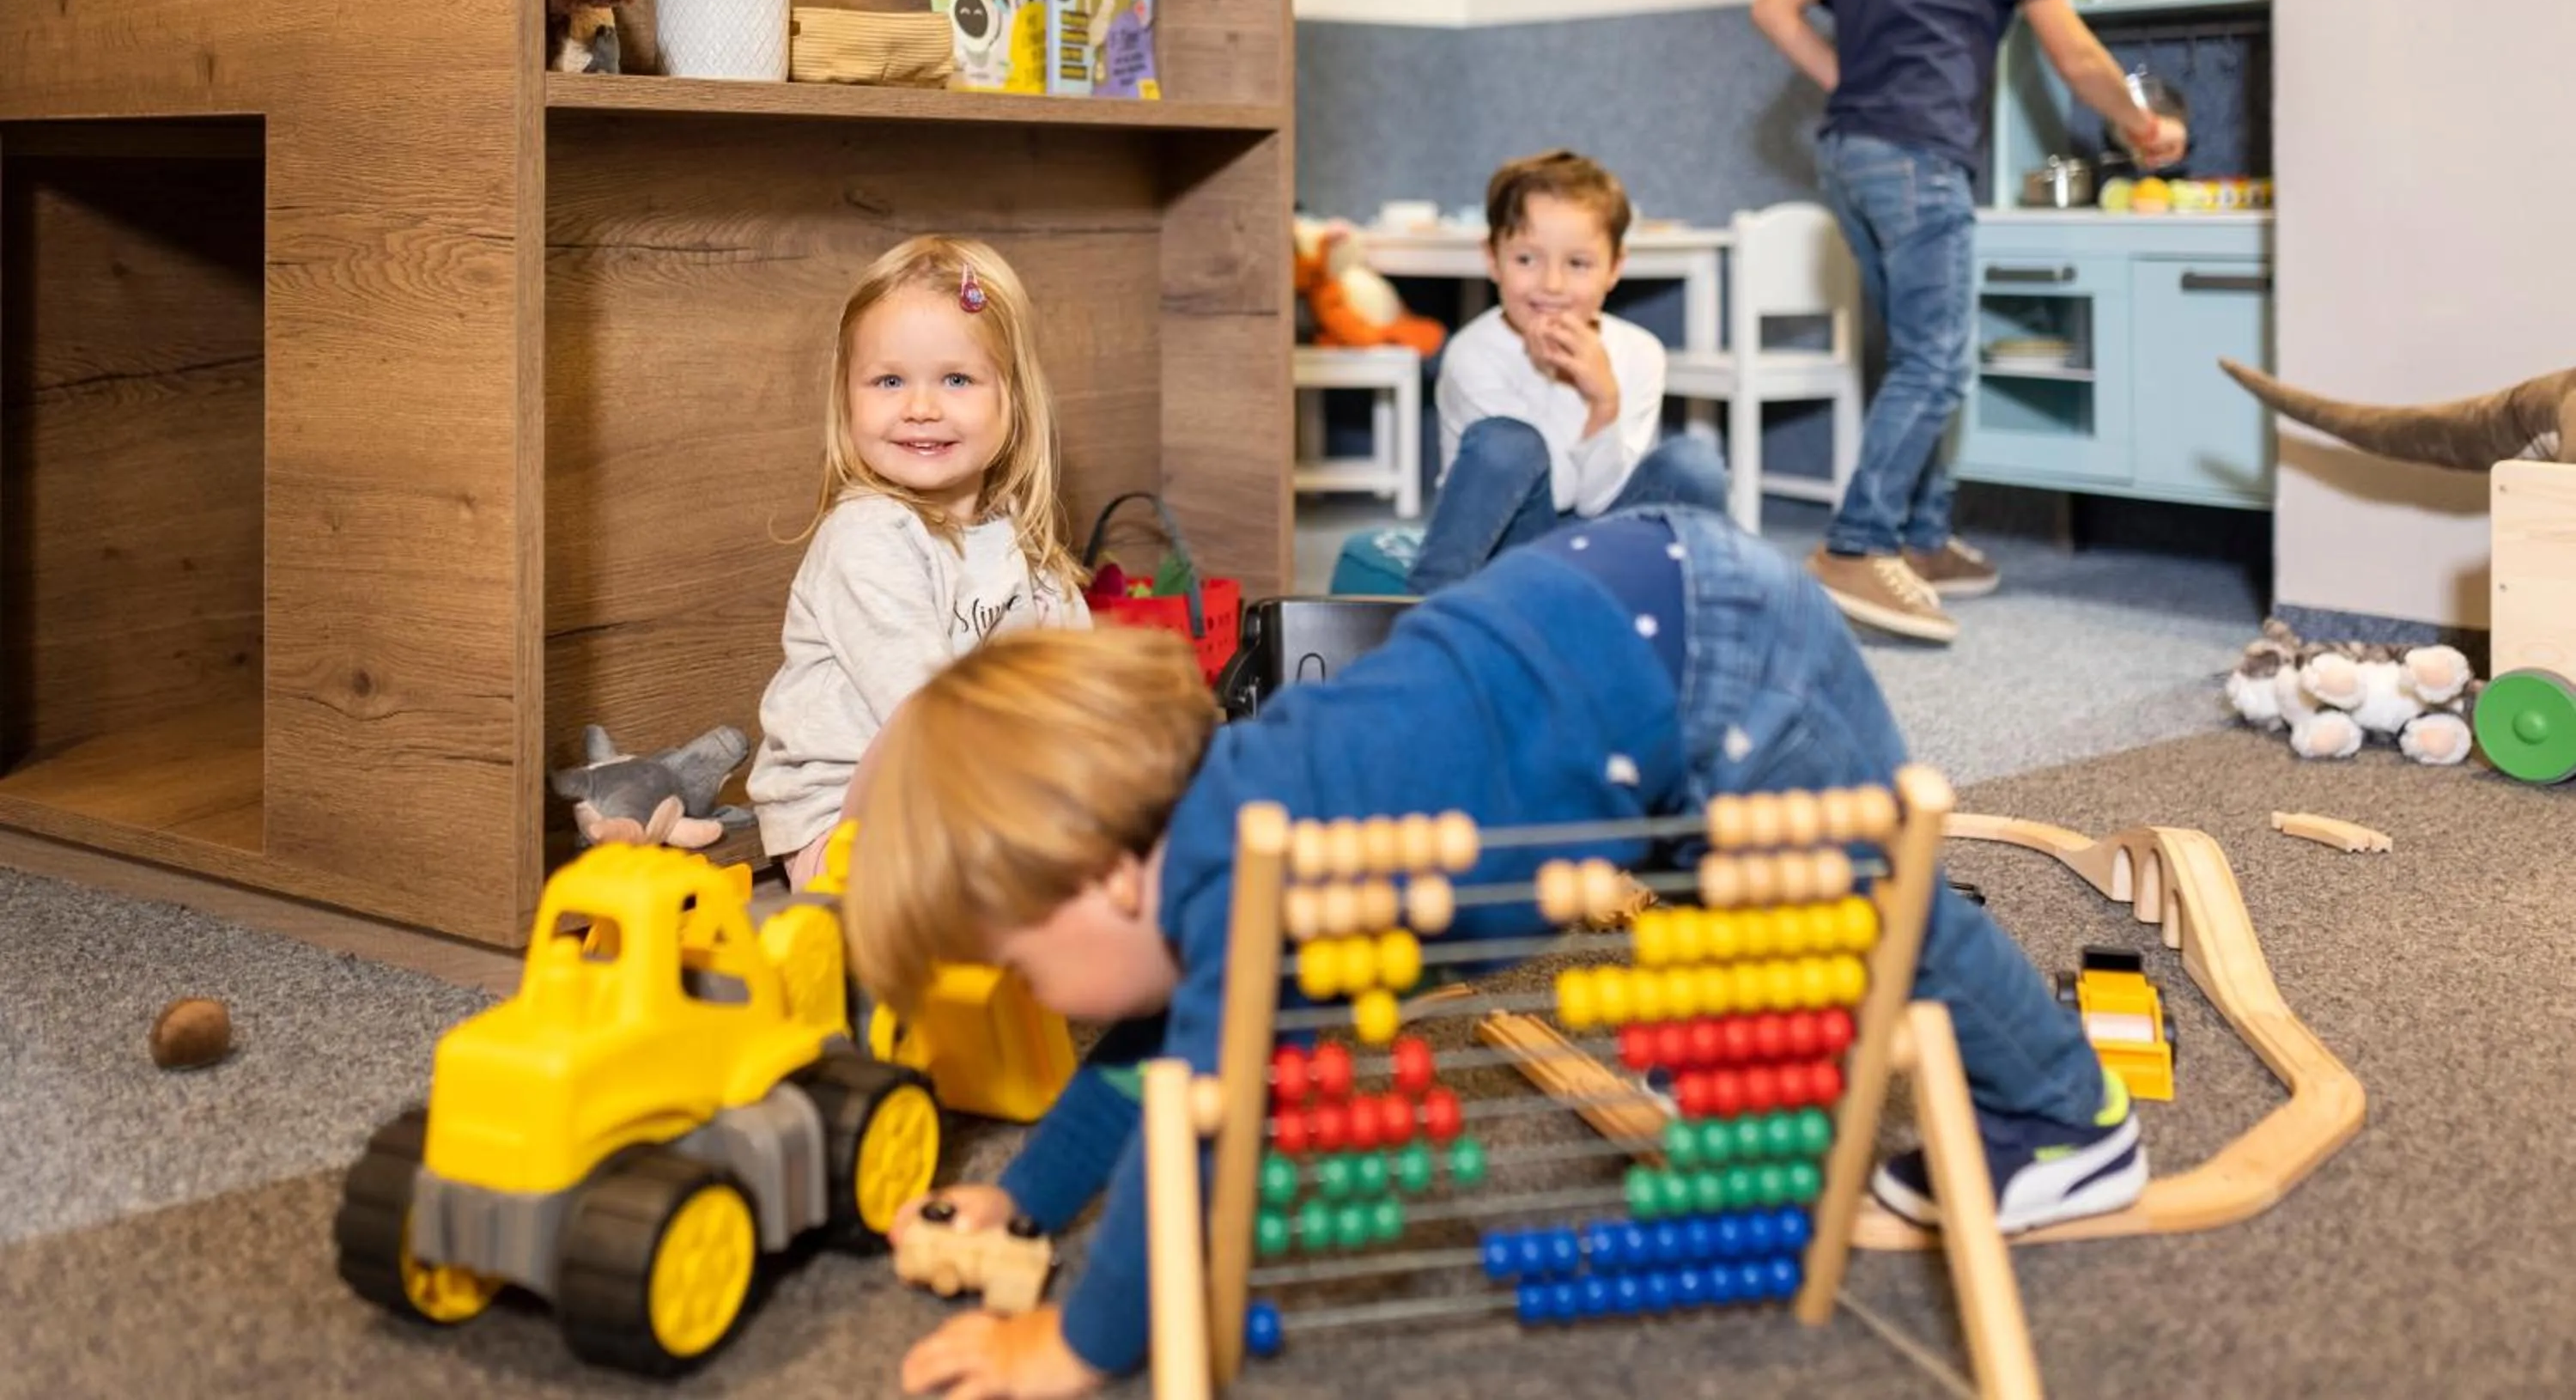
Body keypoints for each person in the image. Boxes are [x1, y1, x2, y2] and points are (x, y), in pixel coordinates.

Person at [847, 504, 2145, 1399]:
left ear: (1111, 875)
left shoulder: (1252, 873)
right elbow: (1149, 1052)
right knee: (1728, 924)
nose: (1034, 997)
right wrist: (1024, 1198)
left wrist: (1073, 1349)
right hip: (1610, 620)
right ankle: (1766, 1096)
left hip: (1717, 652)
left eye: (1020, 963)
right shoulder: (1205, 846)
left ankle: (2070, 1113)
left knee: (1873, 911)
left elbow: (1197, 1132)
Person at [1751, 0, 2186, 644]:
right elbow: (2070, 52)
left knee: (1913, 348)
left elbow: (1774, 6)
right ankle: (1857, 542)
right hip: (1917, 157)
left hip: (1849, 153)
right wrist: (2141, 124)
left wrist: (1845, 81)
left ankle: (1922, 534)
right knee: (1938, 359)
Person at [744, 235, 1089, 888]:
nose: (921, 408)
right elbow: (924, 715)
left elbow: (1079, 684)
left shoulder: (1021, 542)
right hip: (847, 823)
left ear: (1011, 402)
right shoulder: (867, 535)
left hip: (972, 790)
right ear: (848, 399)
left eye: (957, 379)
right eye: (889, 381)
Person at [1406, 149, 1732, 594]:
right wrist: (1554, 375)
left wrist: (1604, 402)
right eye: (1526, 260)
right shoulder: (1473, 355)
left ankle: (1682, 614)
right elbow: (1557, 494)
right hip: (1507, 554)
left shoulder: (1639, 353)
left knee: (1694, 464)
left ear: (1615, 268)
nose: (1552, 285)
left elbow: (1600, 501)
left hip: (1605, 556)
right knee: (1509, 441)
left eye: (1577, 263)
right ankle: (1425, 616)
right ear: (1492, 258)